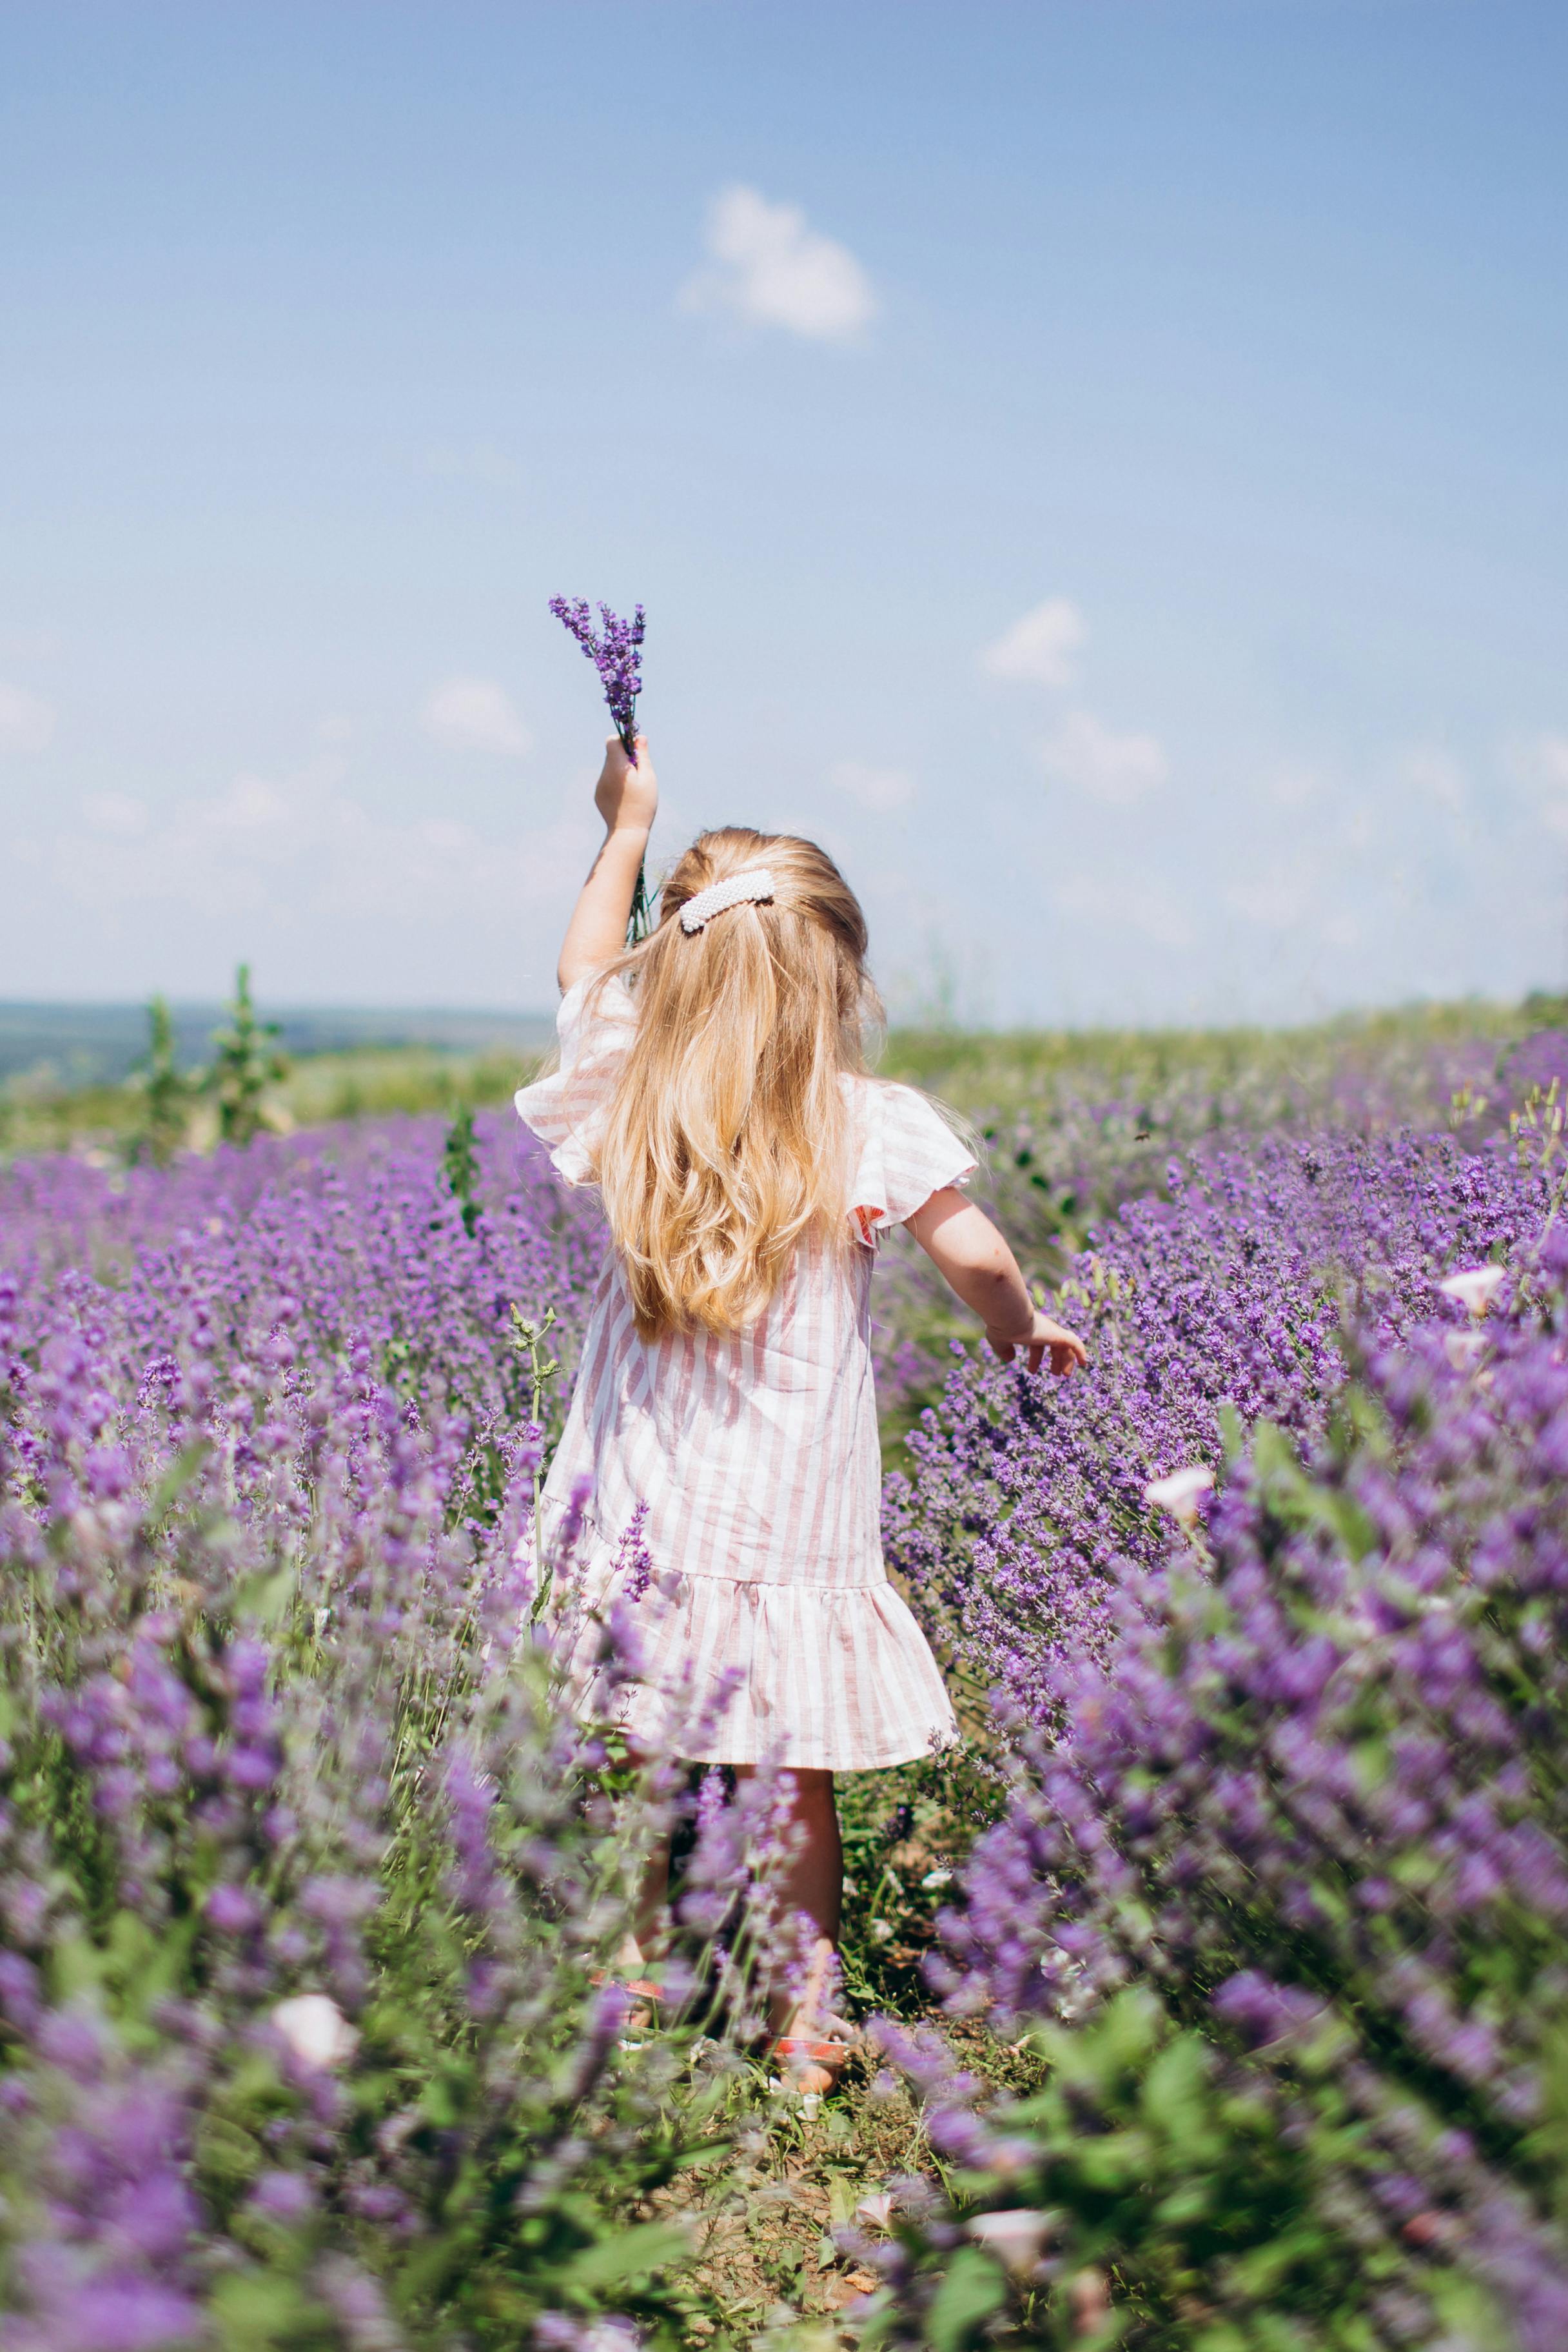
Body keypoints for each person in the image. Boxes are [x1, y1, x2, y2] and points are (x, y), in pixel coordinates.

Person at [515, 734, 1086, 2088]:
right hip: (790, 1515)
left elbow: (584, 976)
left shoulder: (638, 1093)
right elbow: (981, 1258)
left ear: (681, 969)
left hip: (648, 1503)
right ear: (843, 975)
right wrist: (1021, 1331)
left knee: (648, 1750)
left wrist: (623, 831)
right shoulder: (873, 1122)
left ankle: (640, 1977)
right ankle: (806, 2023)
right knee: (794, 1782)